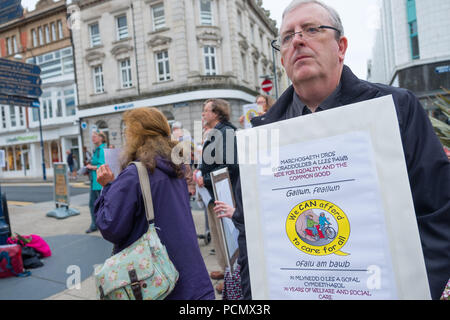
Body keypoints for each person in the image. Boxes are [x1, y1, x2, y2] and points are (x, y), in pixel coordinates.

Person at [234, 0, 450, 300]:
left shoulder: (396, 108)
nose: (297, 39)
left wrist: (413, 288)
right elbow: (249, 229)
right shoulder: (260, 133)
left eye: (311, 29)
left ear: (341, 46)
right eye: (287, 37)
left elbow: (438, 211)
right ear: (282, 58)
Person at [94, 107, 214, 300]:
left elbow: (111, 226)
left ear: (136, 135)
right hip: (191, 275)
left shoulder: (134, 174)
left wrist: (107, 187)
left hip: (156, 279)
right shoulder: (177, 166)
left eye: (128, 131)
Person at [197, 98, 239, 294]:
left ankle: (233, 276)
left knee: (228, 239)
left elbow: (231, 167)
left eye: (206, 111)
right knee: (218, 236)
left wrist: (204, 179)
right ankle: (225, 270)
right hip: (213, 193)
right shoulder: (216, 132)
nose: (203, 114)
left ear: (216, 113)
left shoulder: (227, 132)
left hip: (224, 193)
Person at [85, 131, 107, 233]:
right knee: (93, 204)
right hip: (95, 181)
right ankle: (96, 224)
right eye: (92, 136)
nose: (93, 138)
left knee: (99, 204)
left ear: (101, 138)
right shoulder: (97, 150)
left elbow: (103, 165)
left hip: (99, 181)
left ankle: (99, 224)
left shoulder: (102, 150)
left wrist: (91, 167)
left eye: (95, 136)